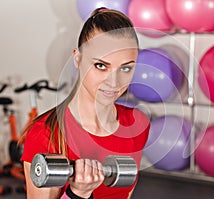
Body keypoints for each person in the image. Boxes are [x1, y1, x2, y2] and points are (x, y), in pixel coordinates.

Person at [19, 7, 150, 199]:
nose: (113, 83)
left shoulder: (136, 123)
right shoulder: (45, 134)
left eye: (125, 68)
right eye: (101, 66)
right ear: (77, 59)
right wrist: (77, 193)